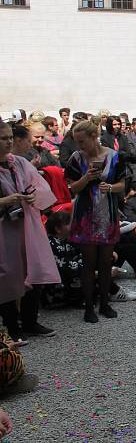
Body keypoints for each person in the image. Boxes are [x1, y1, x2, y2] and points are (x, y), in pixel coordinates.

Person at [0, 122, 60, 339]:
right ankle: (12, 328)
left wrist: (32, 195)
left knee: (34, 268)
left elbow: (40, 187)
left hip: (26, 225)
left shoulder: (19, 163)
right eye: (3, 138)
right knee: (6, 275)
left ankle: (29, 321)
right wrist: (6, 200)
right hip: (4, 228)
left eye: (9, 137)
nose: (8, 142)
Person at [64, 119, 126, 323]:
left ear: (94, 137)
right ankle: (89, 306)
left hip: (107, 212)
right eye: (76, 141)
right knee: (89, 263)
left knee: (106, 261)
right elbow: (72, 189)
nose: (79, 146)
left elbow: (122, 184)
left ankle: (105, 303)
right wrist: (87, 178)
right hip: (85, 215)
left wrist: (110, 187)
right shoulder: (76, 158)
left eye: (82, 141)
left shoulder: (114, 156)